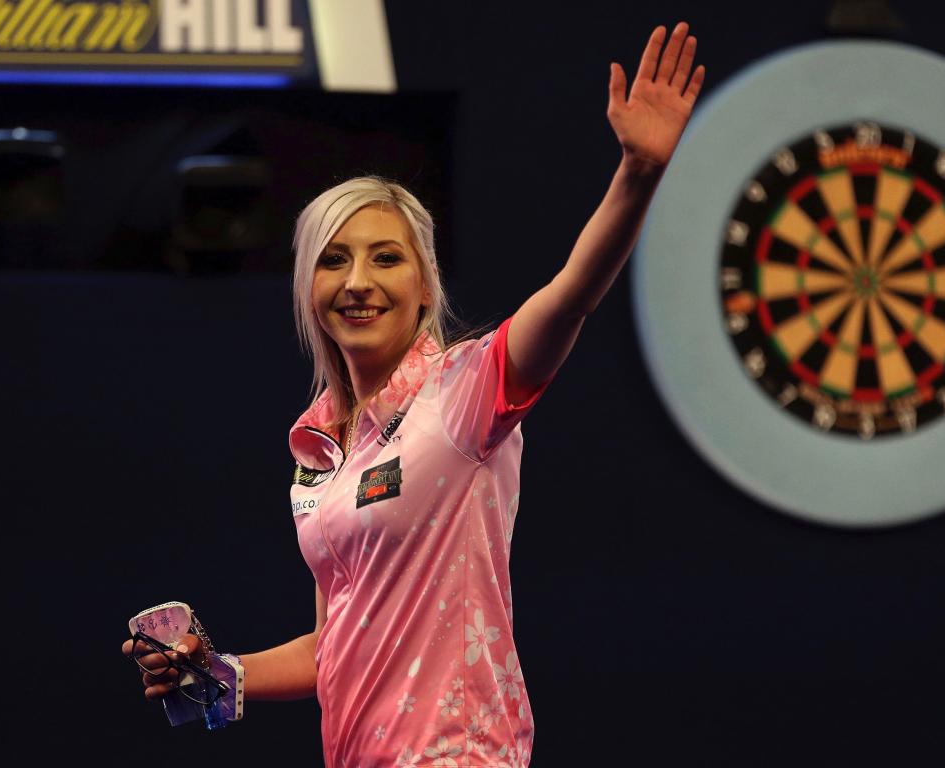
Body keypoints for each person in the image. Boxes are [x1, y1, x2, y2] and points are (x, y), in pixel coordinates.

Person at [123, 21, 705, 767]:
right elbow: (339, 643)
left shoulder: (464, 394)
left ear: (424, 283)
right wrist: (218, 672)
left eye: (386, 258)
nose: (358, 281)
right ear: (308, 288)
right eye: (334, 260)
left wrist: (638, 175)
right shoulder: (317, 449)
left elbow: (569, 298)